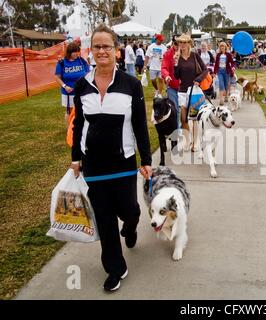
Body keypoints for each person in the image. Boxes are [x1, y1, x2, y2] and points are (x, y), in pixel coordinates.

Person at [71, 24, 152, 292]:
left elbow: (140, 124)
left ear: (116, 50)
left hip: (124, 163)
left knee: (128, 209)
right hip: (93, 165)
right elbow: (79, 125)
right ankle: (115, 268)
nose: (102, 51)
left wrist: (146, 160)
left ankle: (131, 224)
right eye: (97, 46)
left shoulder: (130, 84)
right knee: (105, 220)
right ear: (90, 51)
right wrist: (75, 158)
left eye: (107, 46)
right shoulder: (82, 86)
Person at [173, 33, 209, 152]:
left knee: (194, 119)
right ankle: (187, 141)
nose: (182, 44)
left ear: (189, 43)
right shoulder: (177, 57)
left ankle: (194, 143)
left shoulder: (195, 56)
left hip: (195, 91)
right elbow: (176, 76)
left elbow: (205, 70)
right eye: (180, 42)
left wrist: (198, 80)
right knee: (183, 119)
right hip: (183, 92)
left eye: (184, 42)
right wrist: (176, 63)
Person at [54, 42, 90, 126]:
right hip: (68, 92)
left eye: (78, 51)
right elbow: (57, 77)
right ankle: (70, 129)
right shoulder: (62, 63)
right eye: (74, 52)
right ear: (69, 52)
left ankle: (81, 127)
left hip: (82, 91)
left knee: (82, 109)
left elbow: (88, 72)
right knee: (69, 111)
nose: (77, 54)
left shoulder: (81, 60)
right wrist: (65, 86)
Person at [162, 35, 181, 128]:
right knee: (175, 109)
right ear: (173, 43)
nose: (178, 46)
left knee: (183, 109)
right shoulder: (167, 54)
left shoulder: (186, 53)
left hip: (184, 87)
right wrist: (166, 76)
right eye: (176, 44)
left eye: (180, 43)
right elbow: (164, 67)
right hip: (172, 86)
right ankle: (177, 129)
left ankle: (181, 126)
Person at [213, 41, 235, 106]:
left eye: (223, 46)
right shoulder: (218, 55)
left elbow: (233, 62)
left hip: (226, 71)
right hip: (220, 71)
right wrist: (214, 72)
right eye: (221, 46)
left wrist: (233, 67)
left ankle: (226, 97)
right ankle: (221, 99)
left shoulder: (228, 54)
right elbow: (216, 64)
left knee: (226, 85)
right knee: (221, 84)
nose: (222, 47)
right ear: (220, 47)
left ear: (225, 47)